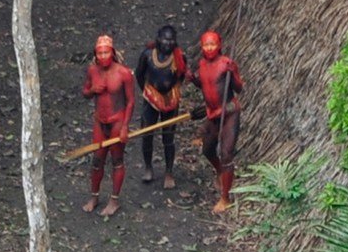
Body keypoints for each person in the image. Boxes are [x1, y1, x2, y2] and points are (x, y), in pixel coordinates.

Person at [190, 29, 243, 213]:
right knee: (207, 149)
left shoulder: (225, 63)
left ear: (219, 45)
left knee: (226, 153)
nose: (209, 48)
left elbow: (239, 88)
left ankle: (225, 198)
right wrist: (191, 77)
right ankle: (221, 171)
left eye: (212, 44)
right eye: (206, 45)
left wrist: (233, 73)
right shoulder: (202, 64)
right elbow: (202, 83)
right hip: (212, 113)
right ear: (202, 47)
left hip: (229, 112)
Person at [81, 34, 135, 217]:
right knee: (97, 160)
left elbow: (130, 102)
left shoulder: (123, 73)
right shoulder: (92, 71)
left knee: (117, 159)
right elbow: (85, 92)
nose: (103, 56)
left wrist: (125, 126)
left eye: (106, 53)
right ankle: (94, 196)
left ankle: (114, 200)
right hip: (99, 121)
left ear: (112, 53)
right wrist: (92, 90)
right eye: (100, 53)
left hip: (116, 121)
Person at [134, 24, 187, 189]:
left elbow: (182, 75)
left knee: (168, 137)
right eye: (165, 39)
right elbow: (139, 74)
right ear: (158, 39)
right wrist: (148, 92)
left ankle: (169, 172)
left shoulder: (179, 57)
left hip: (170, 99)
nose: (168, 43)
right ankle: (148, 167)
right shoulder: (148, 55)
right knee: (147, 133)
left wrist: (172, 91)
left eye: (171, 40)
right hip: (151, 98)